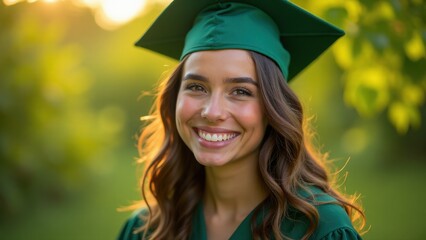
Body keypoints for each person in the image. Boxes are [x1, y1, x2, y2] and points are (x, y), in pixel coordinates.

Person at [118, 0, 366, 239]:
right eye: (196, 86)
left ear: (273, 107)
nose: (212, 112)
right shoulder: (147, 230)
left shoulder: (319, 230)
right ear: (175, 97)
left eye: (240, 91)